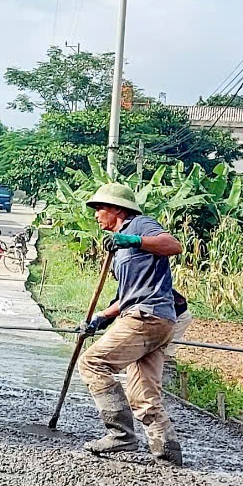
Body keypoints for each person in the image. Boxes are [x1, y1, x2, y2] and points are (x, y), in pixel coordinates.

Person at [77, 182, 185, 466]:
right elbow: (127, 297)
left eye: (100, 208)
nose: (97, 215)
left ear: (116, 209)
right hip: (151, 317)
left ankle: (120, 435)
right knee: (143, 394)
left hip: (147, 316)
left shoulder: (139, 226)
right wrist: (101, 317)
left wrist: (134, 241)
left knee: (92, 363)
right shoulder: (119, 246)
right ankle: (168, 451)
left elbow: (173, 246)